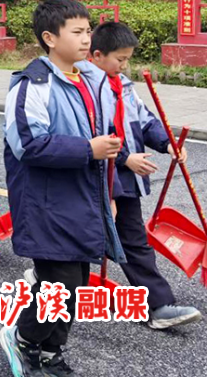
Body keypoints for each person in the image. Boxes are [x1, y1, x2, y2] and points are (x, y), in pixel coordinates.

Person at [0, 0, 125, 377]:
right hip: (46, 205)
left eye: (88, 31)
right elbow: (28, 144)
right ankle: (23, 338)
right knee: (61, 284)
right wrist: (88, 149)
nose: (87, 39)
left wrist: (108, 195)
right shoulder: (33, 84)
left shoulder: (89, 80)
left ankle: (50, 351)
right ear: (50, 38)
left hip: (82, 202)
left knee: (77, 283)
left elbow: (105, 143)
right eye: (78, 32)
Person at [83, 22, 201, 329]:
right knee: (81, 237)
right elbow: (89, 134)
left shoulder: (123, 86)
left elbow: (146, 122)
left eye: (127, 59)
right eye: (120, 59)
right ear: (97, 55)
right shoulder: (83, 87)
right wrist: (126, 158)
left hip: (124, 180)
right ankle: (46, 281)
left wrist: (168, 143)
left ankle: (158, 305)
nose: (125, 65)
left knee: (134, 240)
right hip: (95, 177)